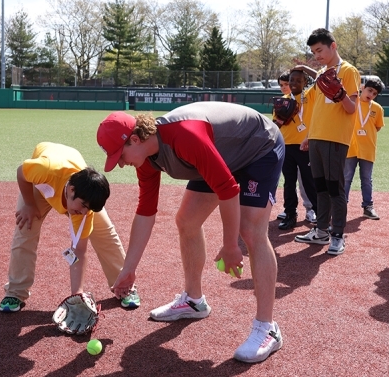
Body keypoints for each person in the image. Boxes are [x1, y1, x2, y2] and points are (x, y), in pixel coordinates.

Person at [96, 101, 285, 363]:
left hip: (258, 147)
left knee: (250, 231)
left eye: (120, 156)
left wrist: (231, 245)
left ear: (135, 140)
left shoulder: (185, 136)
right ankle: (194, 301)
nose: (119, 164)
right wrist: (129, 269)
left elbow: (228, 190)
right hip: (220, 154)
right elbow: (145, 213)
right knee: (186, 220)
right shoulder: (146, 160)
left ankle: (268, 329)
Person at [0, 142, 140, 313]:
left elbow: (79, 251)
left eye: (88, 209)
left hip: (74, 179)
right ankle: (15, 292)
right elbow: (21, 172)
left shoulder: (84, 209)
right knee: (25, 229)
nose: (83, 212)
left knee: (105, 233)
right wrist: (29, 204)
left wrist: (76, 296)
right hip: (43, 183)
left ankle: (124, 285)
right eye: (83, 206)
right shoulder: (45, 169)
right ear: (71, 190)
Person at [293, 28, 360, 255]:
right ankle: (321, 231)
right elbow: (318, 108)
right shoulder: (323, 72)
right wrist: (309, 136)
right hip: (318, 137)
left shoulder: (348, 71)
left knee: (335, 188)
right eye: (313, 51)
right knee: (320, 188)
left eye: (320, 50)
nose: (317, 55)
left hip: (335, 138)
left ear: (333, 46)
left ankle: (338, 234)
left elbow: (351, 109)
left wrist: (340, 95)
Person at [274, 69, 318, 231]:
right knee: (289, 183)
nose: (293, 84)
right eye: (291, 80)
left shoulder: (311, 96)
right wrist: (281, 118)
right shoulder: (282, 101)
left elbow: (319, 79)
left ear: (305, 83)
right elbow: (276, 125)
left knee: (309, 182)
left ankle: (319, 215)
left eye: (298, 81)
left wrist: (304, 68)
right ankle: (290, 214)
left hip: (305, 146)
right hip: (286, 146)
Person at [344, 79, 385, 220]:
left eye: (375, 93)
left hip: (368, 148)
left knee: (366, 179)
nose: (371, 94)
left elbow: (378, 127)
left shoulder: (377, 108)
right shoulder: (352, 103)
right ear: (362, 87)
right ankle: (341, 206)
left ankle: (368, 207)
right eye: (369, 90)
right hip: (350, 147)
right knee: (346, 177)